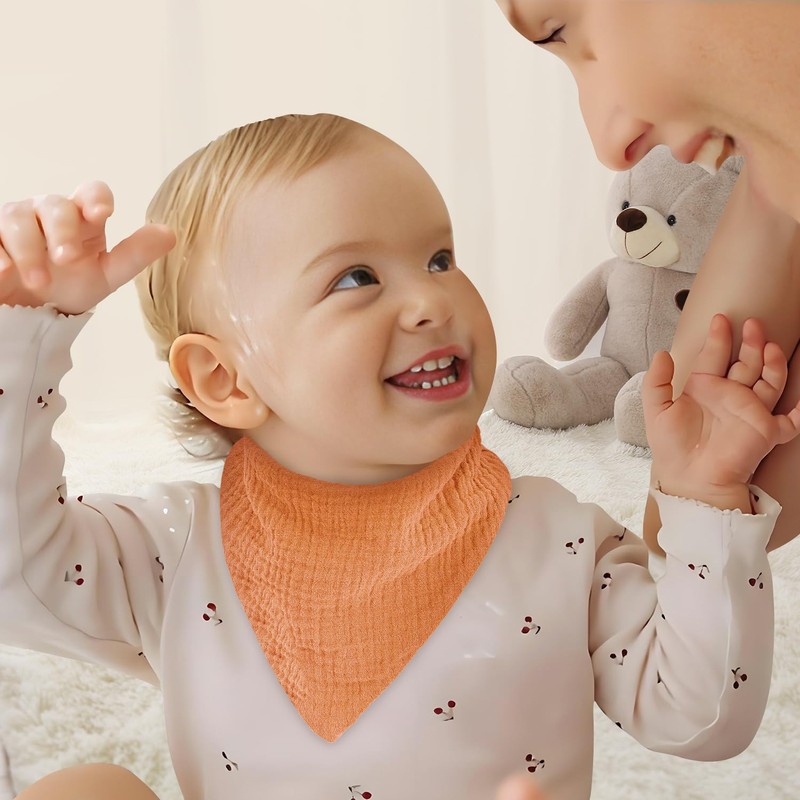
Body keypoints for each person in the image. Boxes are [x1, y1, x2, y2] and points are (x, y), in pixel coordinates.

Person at [0, 113, 796, 800]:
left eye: (440, 258)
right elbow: (17, 569)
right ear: (224, 379)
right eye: (357, 277)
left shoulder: (558, 537)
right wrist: (25, 333)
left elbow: (699, 717)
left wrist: (704, 496)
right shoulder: (173, 553)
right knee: (85, 789)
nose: (430, 300)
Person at [492, 0, 800, 554]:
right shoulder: (771, 199)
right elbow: (682, 538)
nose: (611, 148)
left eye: (559, 27)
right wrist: (705, 484)